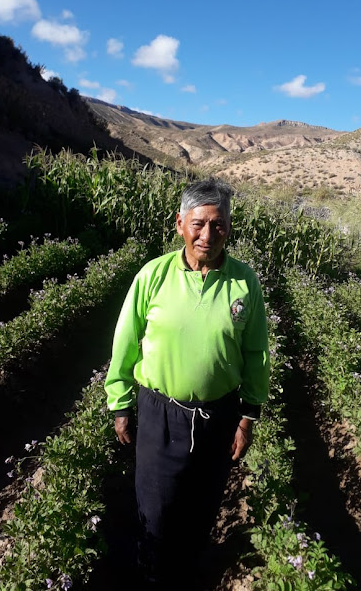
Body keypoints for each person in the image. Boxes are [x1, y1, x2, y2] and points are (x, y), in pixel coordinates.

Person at [104, 178, 269, 589]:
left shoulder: (244, 282)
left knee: (203, 506)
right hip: (161, 414)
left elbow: (256, 354)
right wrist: (120, 404)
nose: (207, 235)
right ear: (180, 223)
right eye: (198, 224)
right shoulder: (152, 276)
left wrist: (247, 418)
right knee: (156, 513)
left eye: (219, 225)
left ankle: (187, 573)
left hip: (220, 416)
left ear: (229, 227)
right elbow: (124, 342)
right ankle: (152, 577)